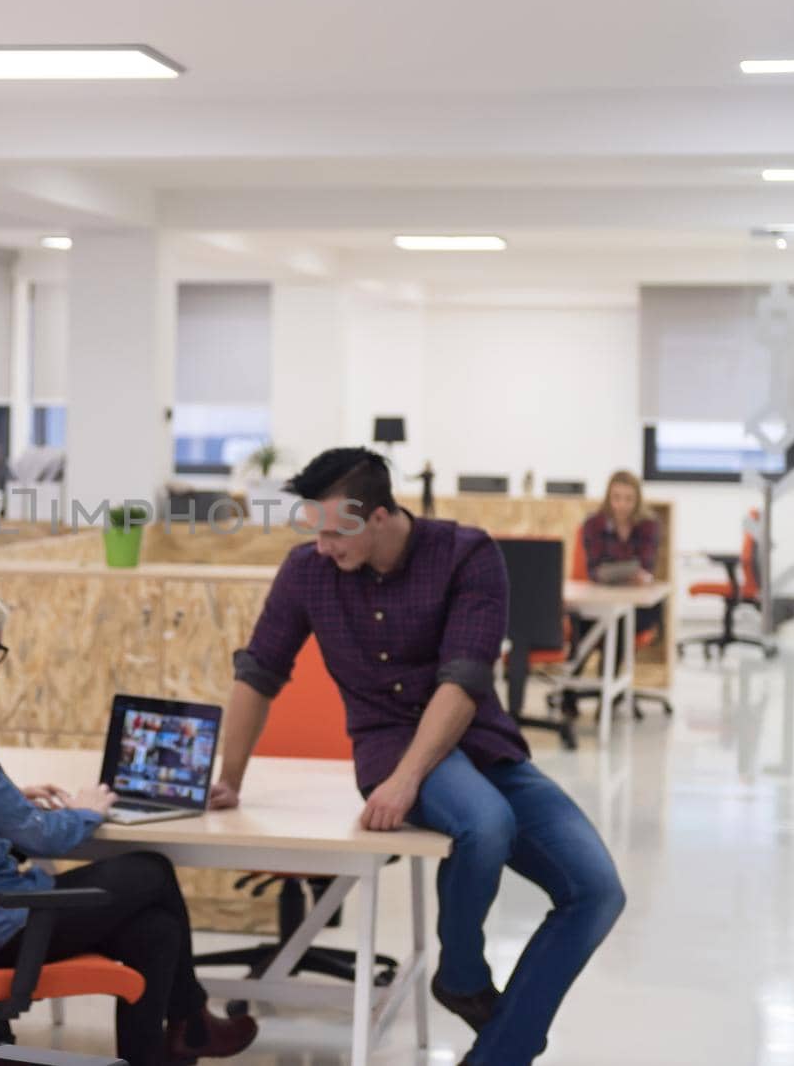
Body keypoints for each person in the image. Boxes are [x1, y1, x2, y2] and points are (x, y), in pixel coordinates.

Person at [212, 448, 624, 1066]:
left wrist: (408, 782)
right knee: (484, 824)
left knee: (597, 891)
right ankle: (464, 980)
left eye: (335, 532)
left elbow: (462, 679)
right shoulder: (307, 572)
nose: (322, 547)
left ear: (379, 516)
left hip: (480, 743)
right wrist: (229, 780)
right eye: (314, 531)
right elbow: (260, 673)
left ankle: (482, 1028)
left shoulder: (466, 555)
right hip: (386, 744)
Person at [0, 572, 257, 1066]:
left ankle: (184, 1034)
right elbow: (42, 837)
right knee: (151, 870)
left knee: (156, 931)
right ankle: (192, 1020)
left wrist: (2, 796)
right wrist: (86, 809)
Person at [568, 470, 663, 678]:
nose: (622, 505)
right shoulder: (593, 524)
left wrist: (614, 572)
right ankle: (571, 690)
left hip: (637, 606)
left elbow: (645, 566)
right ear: (608, 498)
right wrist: (628, 571)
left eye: (629, 499)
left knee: (619, 621)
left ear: (637, 500)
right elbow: (595, 570)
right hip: (599, 600)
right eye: (616, 498)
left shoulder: (649, 524)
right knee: (584, 621)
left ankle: (608, 689)